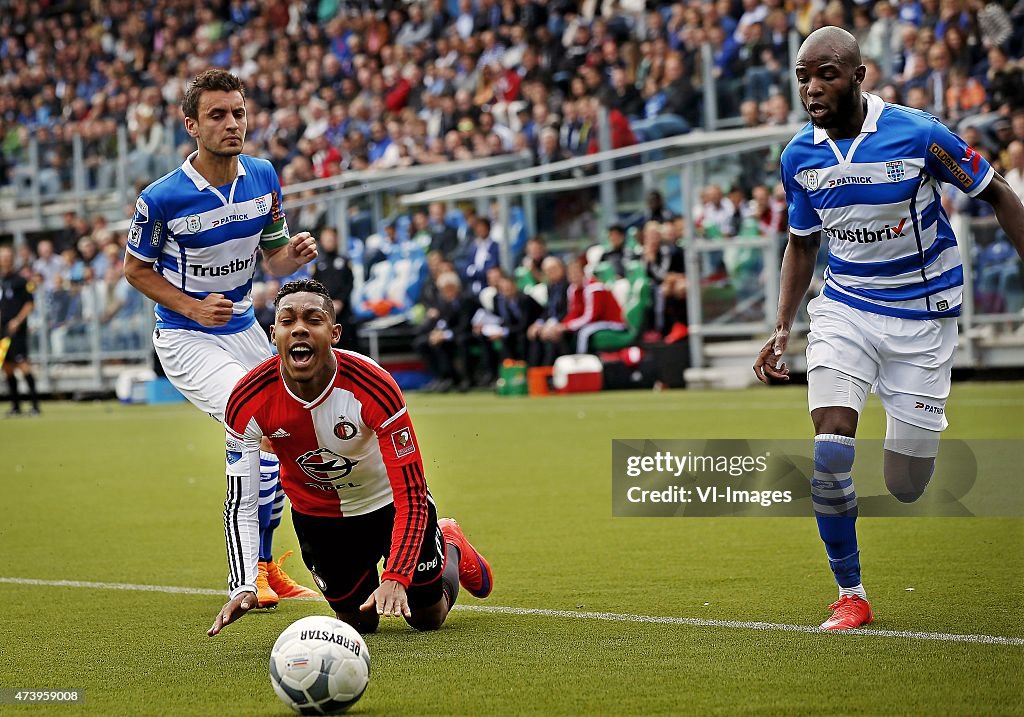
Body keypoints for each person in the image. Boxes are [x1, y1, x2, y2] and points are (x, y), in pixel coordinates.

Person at [753, 27, 1024, 631]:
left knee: (905, 484)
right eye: (803, 76)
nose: (812, 88)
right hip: (844, 308)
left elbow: (998, 191)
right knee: (829, 449)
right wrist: (781, 327)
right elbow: (801, 246)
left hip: (923, 319)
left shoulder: (919, 133)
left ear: (858, 75)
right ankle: (851, 594)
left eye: (826, 74)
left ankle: (904, 438)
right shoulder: (799, 155)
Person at [123, 69, 319, 609]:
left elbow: (273, 258)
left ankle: (265, 566)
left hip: (244, 331)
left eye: (238, 113)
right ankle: (243, 582)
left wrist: (292, 257)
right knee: (252, 427)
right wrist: (190, 306)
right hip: (186, 339)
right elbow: (134, 270)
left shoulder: (262, 176)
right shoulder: (161, 198)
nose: (232, 123)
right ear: (191, 125)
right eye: (217, 115)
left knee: (290, 437)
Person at [207, 279, 493, 636]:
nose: (299, 328)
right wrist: (244, 583)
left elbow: (412, 493)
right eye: (287, 321)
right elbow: (241, 503)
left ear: (335, 332)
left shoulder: (373, 384)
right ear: (273, 332)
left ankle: (450, 541)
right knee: (360, 624)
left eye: (313, 319)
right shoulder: (246, 400)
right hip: (319, 519)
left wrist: (397, 575)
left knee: (426, 618)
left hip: (388, 504)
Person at [0, 245, 41, 417]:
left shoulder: (20, 280)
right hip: (2, 330)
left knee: (23, 365)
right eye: (2, 257)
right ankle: (16, 407)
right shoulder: (1, 281)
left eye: (8, 256)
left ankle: (35, 406)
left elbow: (30, 303)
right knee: (7, 367)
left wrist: (17, 320)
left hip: (17, 330)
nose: (5, 260)